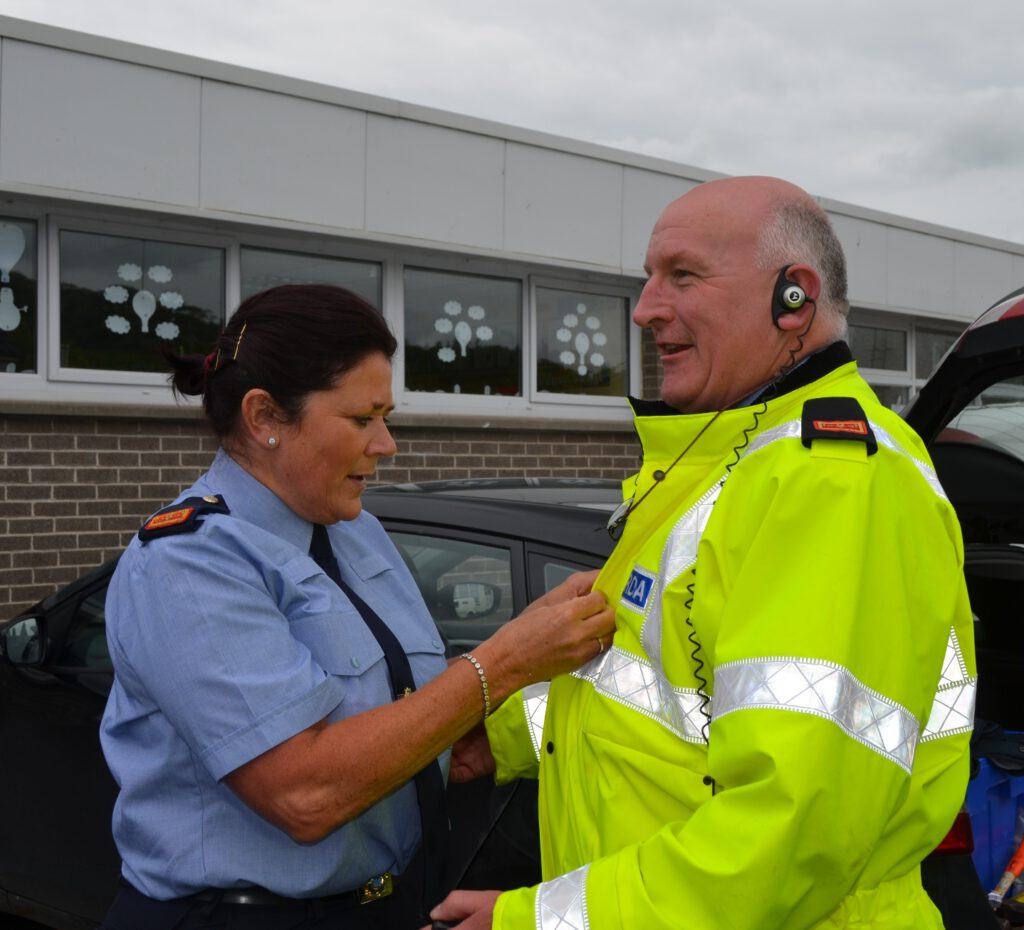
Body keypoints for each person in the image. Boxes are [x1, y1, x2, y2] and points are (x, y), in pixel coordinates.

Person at [428, 177, 976, 930]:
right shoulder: (732, 459)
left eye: (683, 276)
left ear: (794, 299)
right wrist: (498, 736)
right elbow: (656, 697)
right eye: (650, 278)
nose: (646, 309)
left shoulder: (833, 481)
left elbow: (788, 828)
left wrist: (536, 921)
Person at [97, 284, 615, 930]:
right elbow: (303, 792)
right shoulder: (188, 561)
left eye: (385, 417)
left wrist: (468, 729)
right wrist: (503, 662)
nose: (386, 443)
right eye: (363, 419)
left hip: (388, 901)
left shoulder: (354, 529)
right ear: (264, 418)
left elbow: (396, 699)